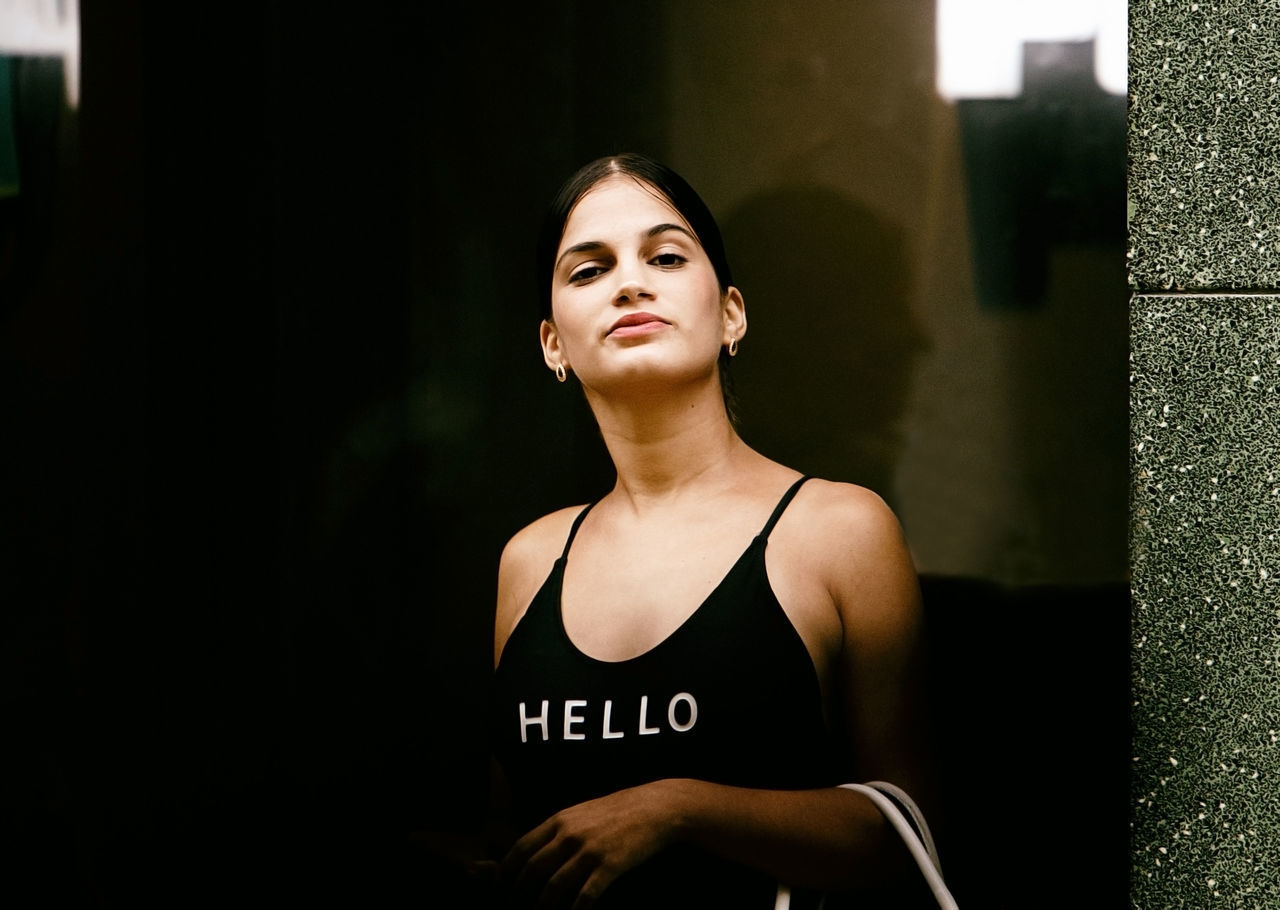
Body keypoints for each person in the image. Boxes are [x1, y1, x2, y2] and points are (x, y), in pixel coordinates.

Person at [486, 152, 932, 909]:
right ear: (552, 345)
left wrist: (678, 808)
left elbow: (908, 836)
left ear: (731, 314)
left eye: (664, 256)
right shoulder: (530, 560)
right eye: (588, 270)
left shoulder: (838, 529)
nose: (630, 282)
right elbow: (518, 848)